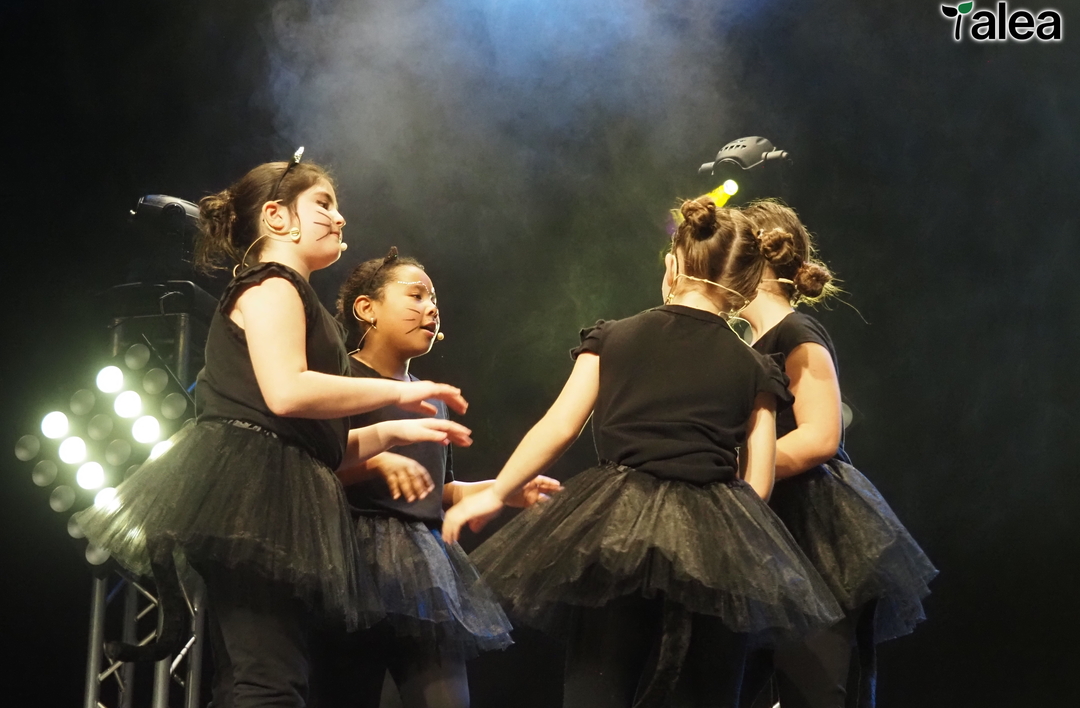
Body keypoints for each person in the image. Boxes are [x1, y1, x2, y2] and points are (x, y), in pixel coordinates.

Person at [75, 153, 472, 708]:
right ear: (277, 217)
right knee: (267, 683)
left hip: (272, 483)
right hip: (250, 489)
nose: (339, 218)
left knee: (260, 680)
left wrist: (388, 437)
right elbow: (287, 391)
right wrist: (400, 393)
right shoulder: (273, 285)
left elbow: (322, 443)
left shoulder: (297, 297)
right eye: (323, 204)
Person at [442, 198, 844, 708]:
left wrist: (497, 492)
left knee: (599, 680)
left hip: (619, 527)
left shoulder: (613, 337)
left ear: (673, 266)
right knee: (706, 690)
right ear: (745, 287)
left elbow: (559, 425)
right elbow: (758, 484)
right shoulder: (756, 368)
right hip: (715, 536)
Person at [313, 248, 559, 708]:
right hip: (349, 561)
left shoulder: (431, 398)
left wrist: (502, 490)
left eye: (434, 301)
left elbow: (436, 490)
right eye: (416, 296)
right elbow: (313, 465)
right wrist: (375, 463)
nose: (431, 309)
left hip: (420, 569)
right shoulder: (339, 381)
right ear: (367, 309)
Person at [737, 199, 937, 708]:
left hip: (815, 532)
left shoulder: (796, 333)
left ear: (751, 262)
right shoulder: (750, 345)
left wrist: (731, 470)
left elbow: (821, 436)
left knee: (818, 684)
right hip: (773, 526)